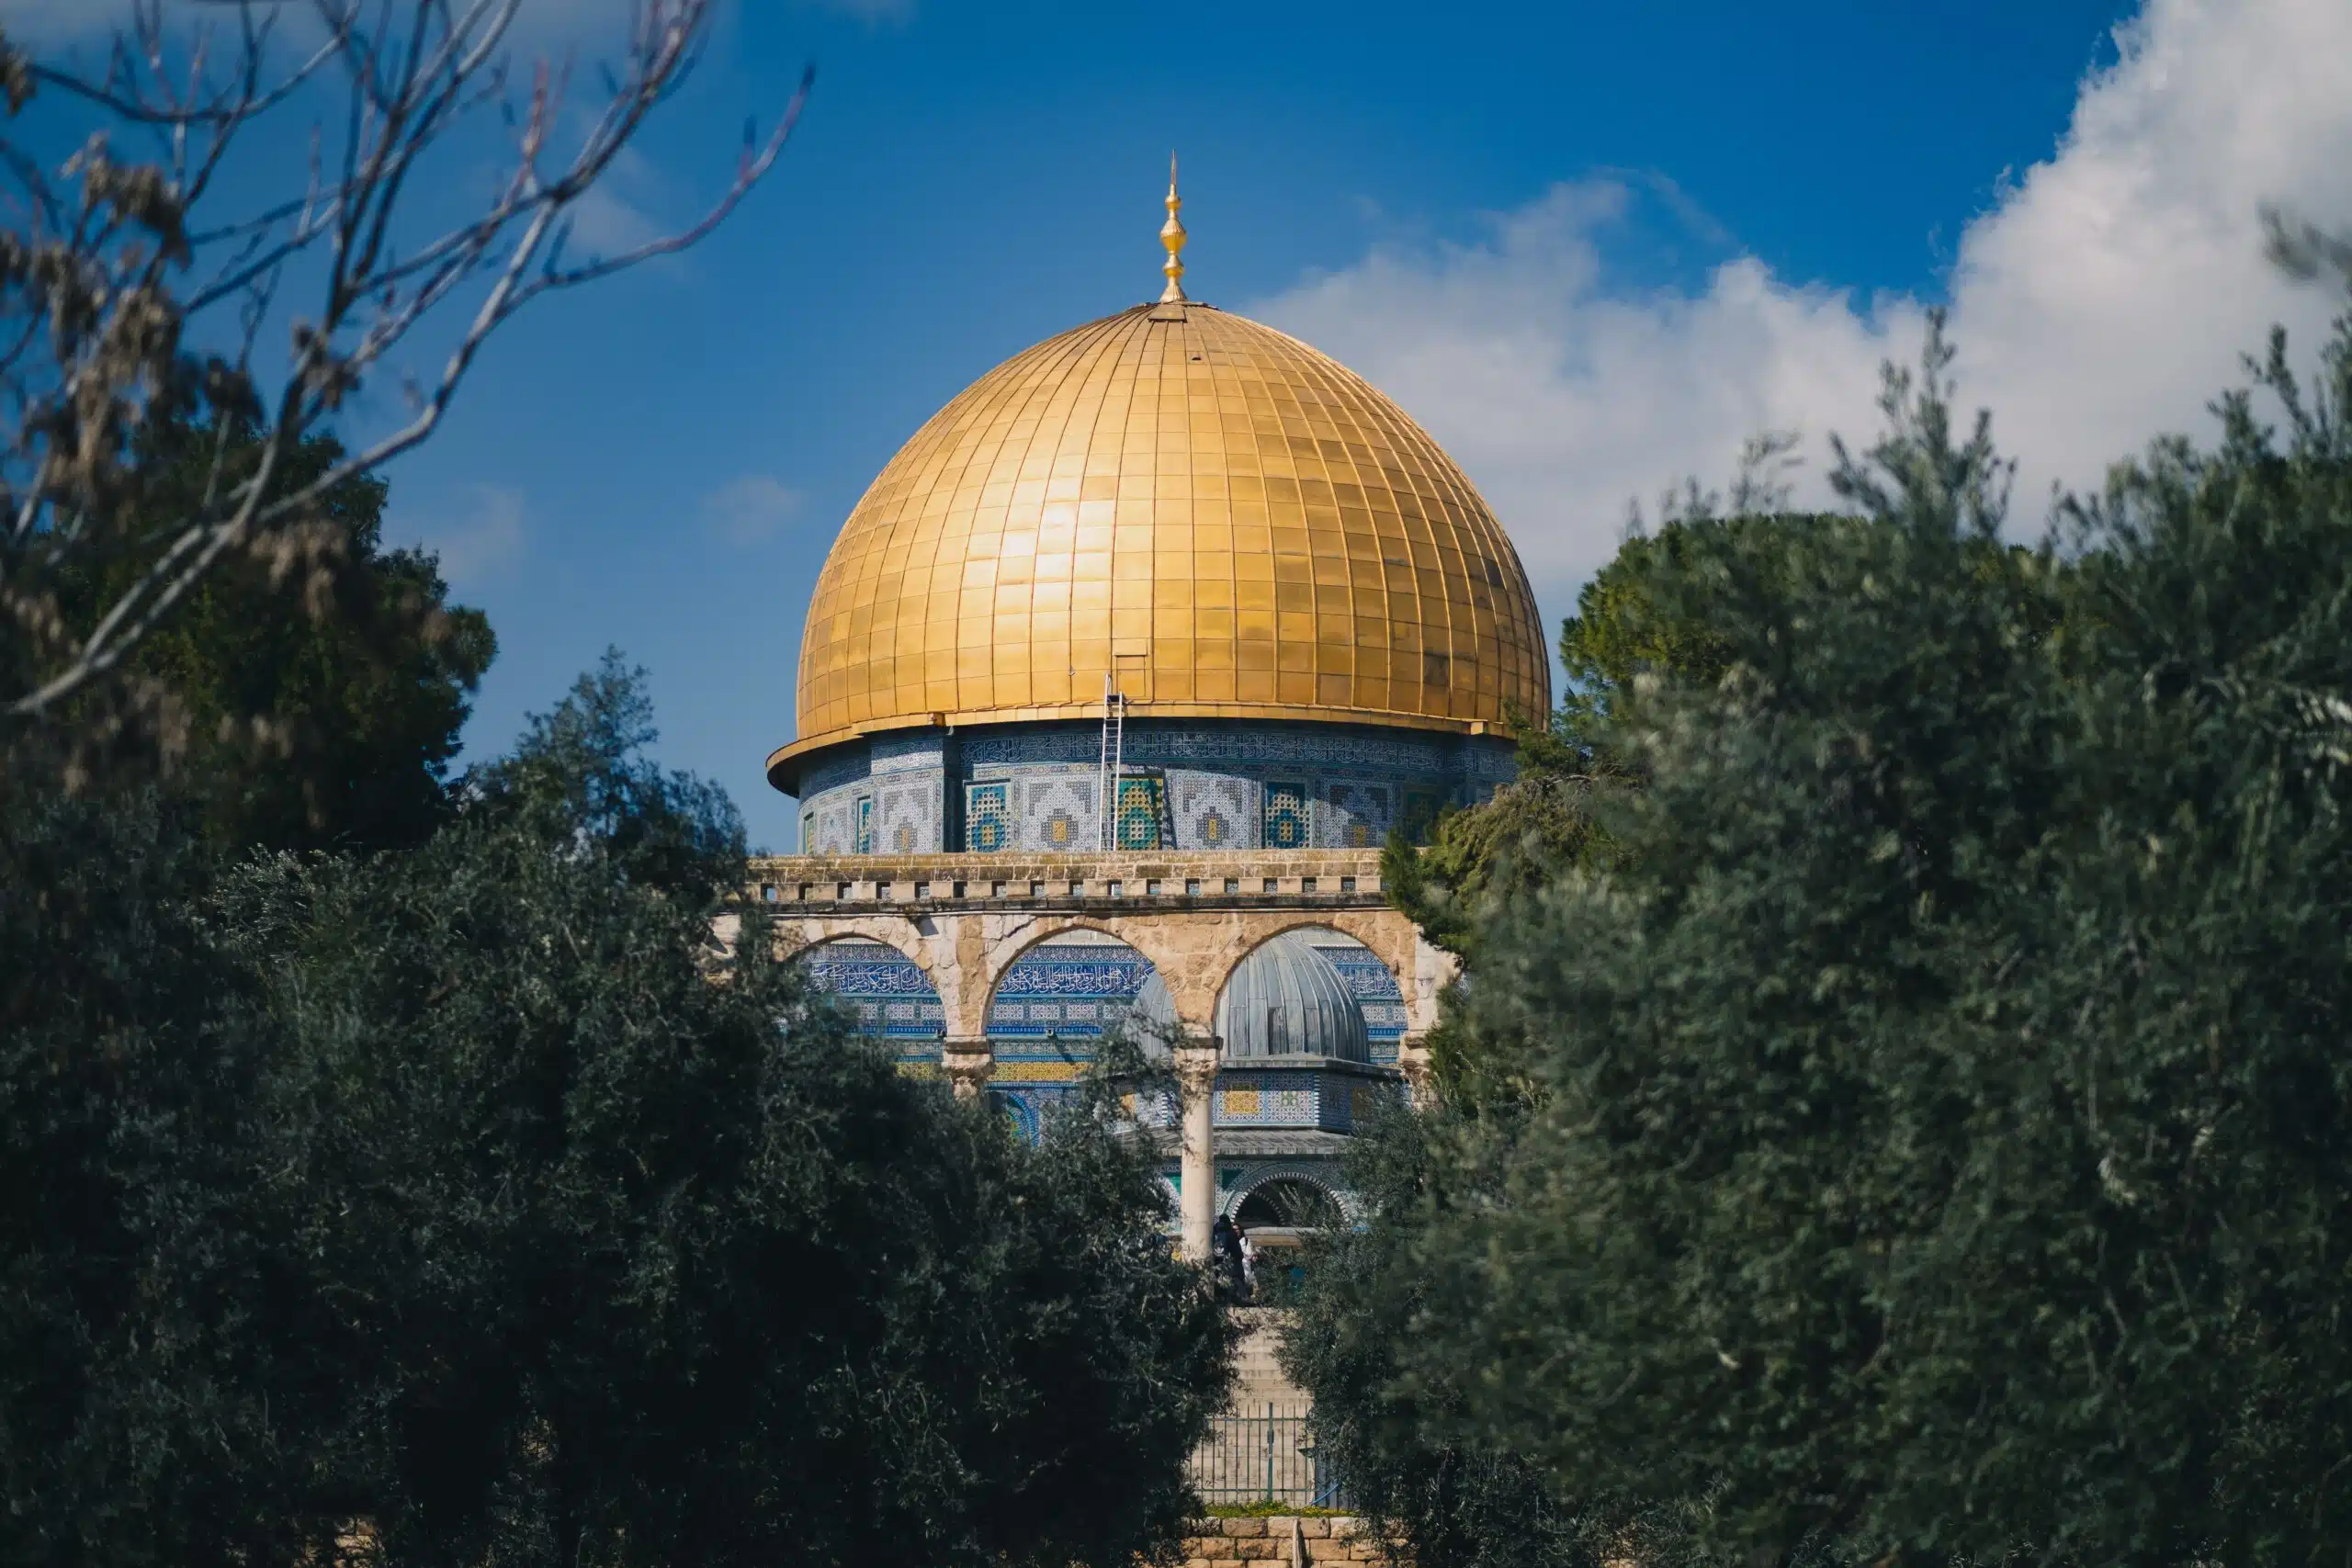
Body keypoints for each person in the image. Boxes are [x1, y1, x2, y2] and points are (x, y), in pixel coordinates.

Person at [1210, 1213, 1242, 1299]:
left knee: (1218, 1283)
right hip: (1229, 1264)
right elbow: (1237, 1251)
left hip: (1216, 1263)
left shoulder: (1213, 1231)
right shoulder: (1230, 1233)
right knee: (1230, 1283)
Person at [1236, 1220, 1259, 1303]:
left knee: (1253, 1285)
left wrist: (1254, 1255)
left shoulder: (1251, 1241)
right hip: (1241, 1267)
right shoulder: (1237, 1241)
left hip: (1250, 1268)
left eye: (1236, 1229)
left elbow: (1257, 1252)